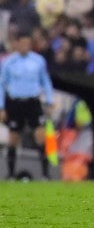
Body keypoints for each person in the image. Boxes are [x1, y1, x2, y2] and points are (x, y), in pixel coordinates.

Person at [0, 34, 55, 180]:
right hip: (15, 102)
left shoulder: (38, 61)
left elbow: (46, 82)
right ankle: (11, 174)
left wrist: (49, 101)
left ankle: (45, 174)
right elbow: (1, 84)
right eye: (22, 43)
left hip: (33, 102)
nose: (25, 46)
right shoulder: (8, 62)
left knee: (40, 136)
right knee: (13, 138)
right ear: (16, 44)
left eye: (27, 44)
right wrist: (1, 107)